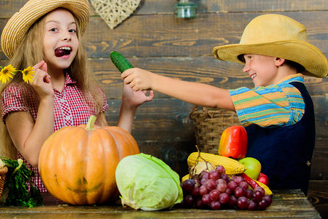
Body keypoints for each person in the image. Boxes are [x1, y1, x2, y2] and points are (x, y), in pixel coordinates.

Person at [121, 14, 328, 195]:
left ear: (278, 57)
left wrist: (153, 80)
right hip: (263, 199)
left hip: (283, 202)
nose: (246, 68)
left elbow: (216, 99)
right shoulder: (278, 95)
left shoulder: (287, 96)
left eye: (249, 58)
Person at [0, 0, 153, 192]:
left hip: (87, 199)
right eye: (53, 29)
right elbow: (34, 156)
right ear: (32, 42)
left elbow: (111, 153)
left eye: (72, 30)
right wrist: (46, 98)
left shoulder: (89, 91)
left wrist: (128, 107)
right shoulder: (16, 92)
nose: (67, 35)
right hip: (40, 204)